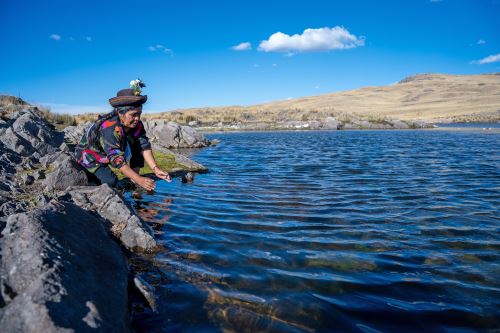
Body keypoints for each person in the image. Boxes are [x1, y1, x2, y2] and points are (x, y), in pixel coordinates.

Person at [75, 79, 171, 191]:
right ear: (120, 113)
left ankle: (134, 178)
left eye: (139, 114)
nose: (137, 119)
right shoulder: (109, 127)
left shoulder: (137, 125)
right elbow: (117, 159)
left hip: (107, 154)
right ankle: (134, 178)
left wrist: (155, 169)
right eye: (133, 115)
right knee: (111, 182)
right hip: (90, 156)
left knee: (137, 144)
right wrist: (140, 179)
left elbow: (144, 145)